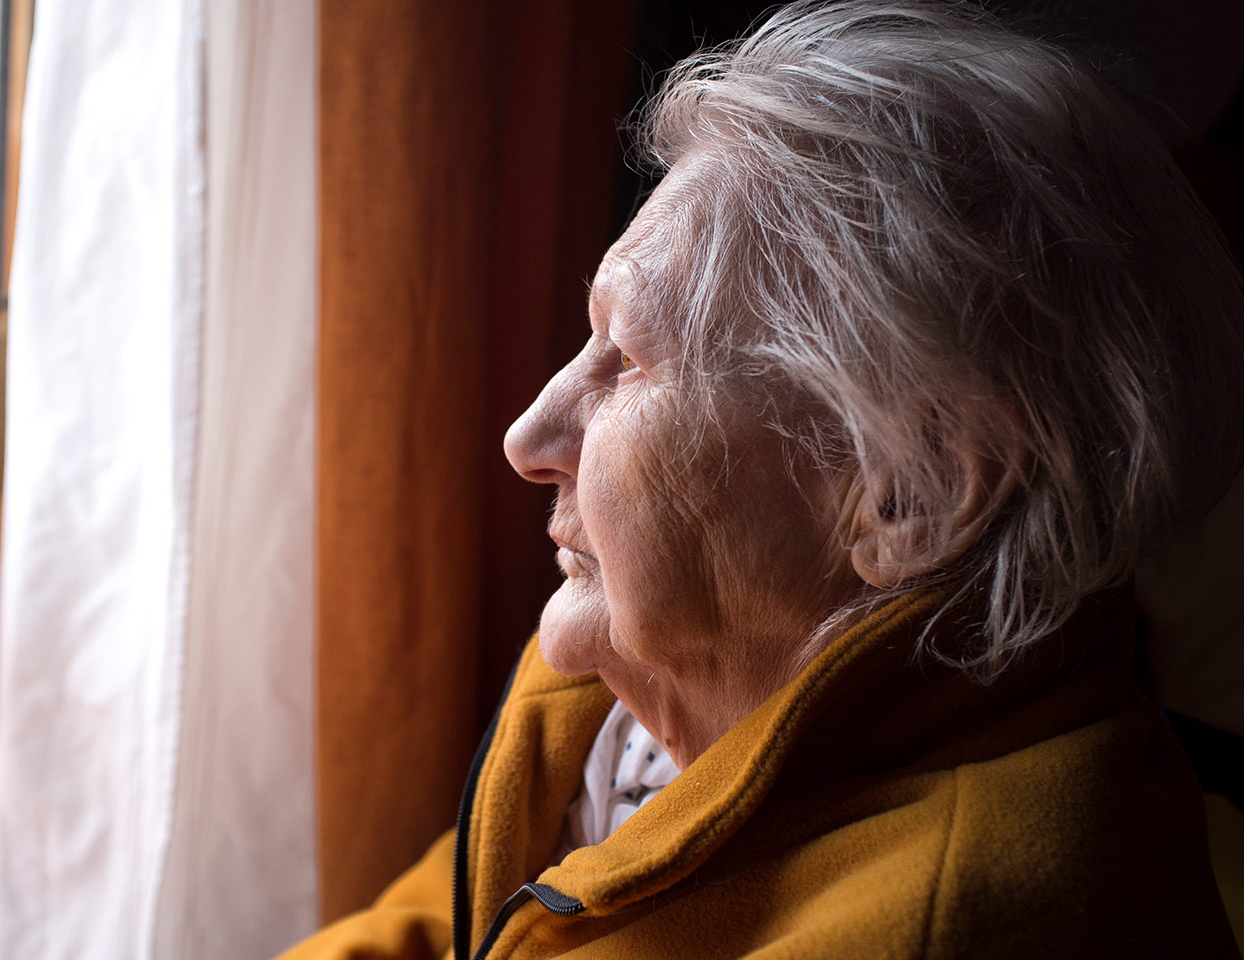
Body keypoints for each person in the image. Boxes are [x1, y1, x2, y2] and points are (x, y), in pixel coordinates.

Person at [282, 1, 1244, 956]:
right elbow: (452, 925)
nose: (529, 437)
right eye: (588, 340)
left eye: (630, 361)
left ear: (909, 489)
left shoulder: (945, 920)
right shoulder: (636, 700)